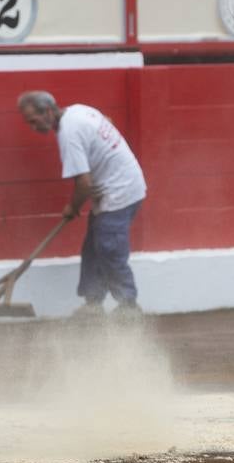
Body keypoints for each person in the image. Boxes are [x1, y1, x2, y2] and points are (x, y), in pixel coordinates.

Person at [17, 90, 147, 319]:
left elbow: (84, 183)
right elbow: (108, 121)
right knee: (93, 248)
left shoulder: (69, 132)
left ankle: (129, 306)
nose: (33, 128)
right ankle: (93, 305)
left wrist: (72, 207)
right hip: (115, 187)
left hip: (120, 191)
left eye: (34, 121)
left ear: (48, 111)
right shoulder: (79, 110)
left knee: (109, 247)